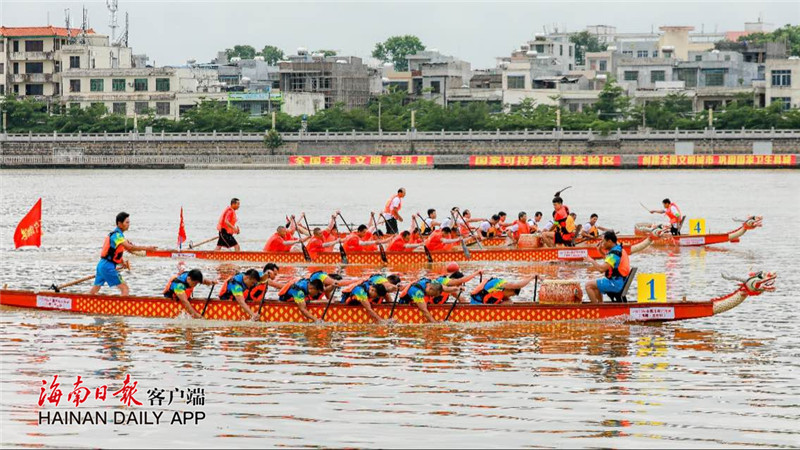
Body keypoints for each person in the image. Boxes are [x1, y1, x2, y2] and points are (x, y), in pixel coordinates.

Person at [90, 212, 157, 296]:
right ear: (119, 224)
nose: (129, 225)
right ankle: (122, 308)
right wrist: (147, 248)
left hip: (102, 265)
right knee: (125, 288)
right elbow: (130, 247)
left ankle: (82, 304)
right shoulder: (117, 236)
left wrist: (122, 262)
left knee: (94, 291)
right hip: (107, 267)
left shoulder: (118, 236)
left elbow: (113, 253)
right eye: (127, 222)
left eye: (129, 222)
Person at [584, 230, 631, 303]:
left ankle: (597, 309)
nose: (602, 244)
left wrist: (591, 260)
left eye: (603, 241)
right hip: (619, 281)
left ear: (609, 241)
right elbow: (609, 261)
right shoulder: (618, 249)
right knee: (595, 285)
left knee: (588, 285)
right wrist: (600, 250)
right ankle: (601, 305)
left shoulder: (614, 254)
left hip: (616, 284)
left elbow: (601, 269)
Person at [470, 275, 537, 304]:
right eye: (511, 295)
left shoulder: (500, 290)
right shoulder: (501, 284)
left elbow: (509, 302)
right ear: (511, 289)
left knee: (509, 302)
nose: (509, 297)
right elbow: (518, 285)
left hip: (480, 302)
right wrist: (532, 277)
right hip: (477, 304)